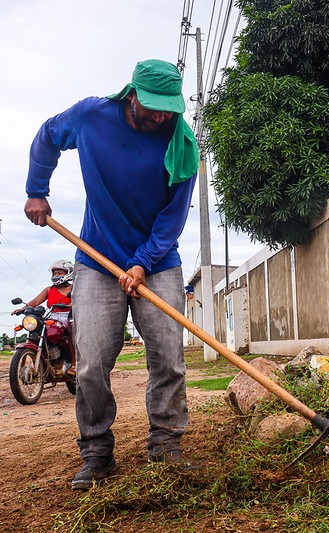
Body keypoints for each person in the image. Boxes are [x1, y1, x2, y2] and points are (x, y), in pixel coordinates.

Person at [23, 59, 199, 490]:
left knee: (168, 358)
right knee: (91, 365)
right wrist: (36, 190)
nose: (161, 116)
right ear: (132, 94)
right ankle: (97, 451)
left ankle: (166, 445)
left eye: (168, 109)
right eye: (153, 107)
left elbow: (172, 219)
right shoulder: (91, 116)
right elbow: (47, 136)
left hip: (157, 264)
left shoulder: (181, 142)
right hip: (97, 261)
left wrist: (142, 262)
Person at [12, 259, 77, 375]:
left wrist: (73, 304)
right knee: (37, 330)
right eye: (55, 273)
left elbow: (81, 299)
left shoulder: (74, 288)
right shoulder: (49, 290)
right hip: (52, 317)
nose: (56, 275)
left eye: (59, 273)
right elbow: (36, 301)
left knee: (72, 332)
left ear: (68, 273)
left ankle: (73, 365)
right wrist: (22, 309)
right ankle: (46, 360)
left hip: (69, 316)